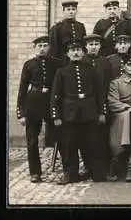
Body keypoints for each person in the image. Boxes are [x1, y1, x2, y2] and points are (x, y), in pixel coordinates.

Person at [50, 39, 106, 184]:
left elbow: (100, 93)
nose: (75, 53)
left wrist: (101, 112)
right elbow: (56, 95)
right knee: (69, 145)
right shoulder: (61, 72)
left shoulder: (91, 69)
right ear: (68, 54)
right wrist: (56, 115)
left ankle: (97, 173)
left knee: (93, 143)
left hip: (90, 112)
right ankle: (70, 174)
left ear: (83, 52)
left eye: (78, 50)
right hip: (69, 114)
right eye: (72, 51)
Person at [16, 35, 63, 183]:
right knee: (32, 140)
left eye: (45, 45)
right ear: (34, 48)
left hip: (51, 103)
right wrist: (21, 113)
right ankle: (35, 172)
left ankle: (67, 168)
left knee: (60, 135)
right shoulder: (29, 64)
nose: (42, 49)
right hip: (33, 103)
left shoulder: (57, 63)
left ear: (49, 47)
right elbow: (22, 89)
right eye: (39, 46)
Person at [81, 34, 112, 171]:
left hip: (103, 102)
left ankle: (102, 166)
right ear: (86, 47)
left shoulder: (105, 62)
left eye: (96, 44)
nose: (93, 47)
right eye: (91, 44)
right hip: (86, 104)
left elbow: (108, 83)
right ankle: (88, 165)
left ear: (100, 46)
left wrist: (104, 107)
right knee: (87, 137)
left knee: (102, 135)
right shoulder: (81, 61)